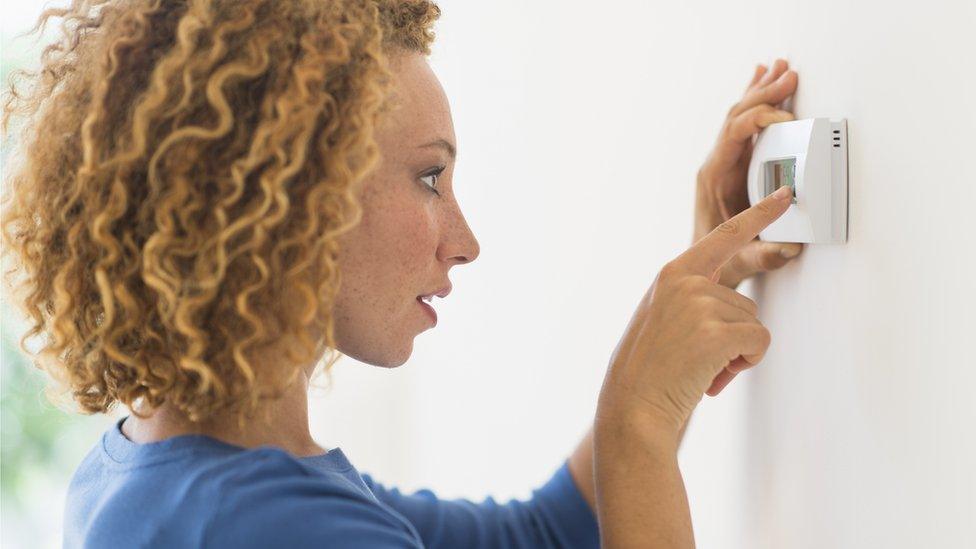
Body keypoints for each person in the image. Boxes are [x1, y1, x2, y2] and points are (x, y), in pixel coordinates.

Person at [0, 0, 803, 547]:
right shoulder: (285, 528)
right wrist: (637, 429)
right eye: (430, 178)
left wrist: (706, 271)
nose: (465, 240)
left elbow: (548, 532)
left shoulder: (151, 473)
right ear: (288, 197)